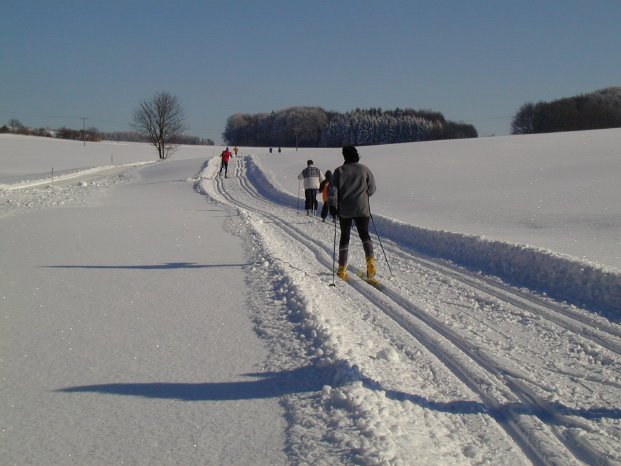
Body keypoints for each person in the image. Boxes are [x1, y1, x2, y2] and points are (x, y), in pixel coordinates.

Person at [328, 145, 377, 281]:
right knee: (364, 234)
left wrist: (333, 206)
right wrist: (364, 195)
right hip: (362, 208)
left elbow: (333, 191)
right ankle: (371, 264)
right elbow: (372, 189)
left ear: (344, 156)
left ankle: (342, 269)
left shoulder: (339, 171)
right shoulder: (364, 169)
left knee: (345, 237)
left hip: (345, 209)